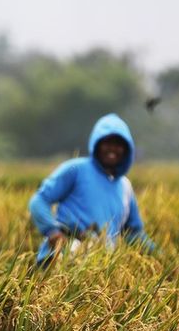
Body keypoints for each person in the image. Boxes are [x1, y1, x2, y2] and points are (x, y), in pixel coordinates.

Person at [28, 113, 156, 266]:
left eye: (118, 144)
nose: (112, 149)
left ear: (127, 149)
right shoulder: (76, 169)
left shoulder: (125, 187)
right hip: (61, 259)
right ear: (96, 144)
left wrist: (162, 258)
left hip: (98, 268)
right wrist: (52, 231)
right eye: (107, 143)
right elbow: (39, 200)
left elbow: (134, 234)